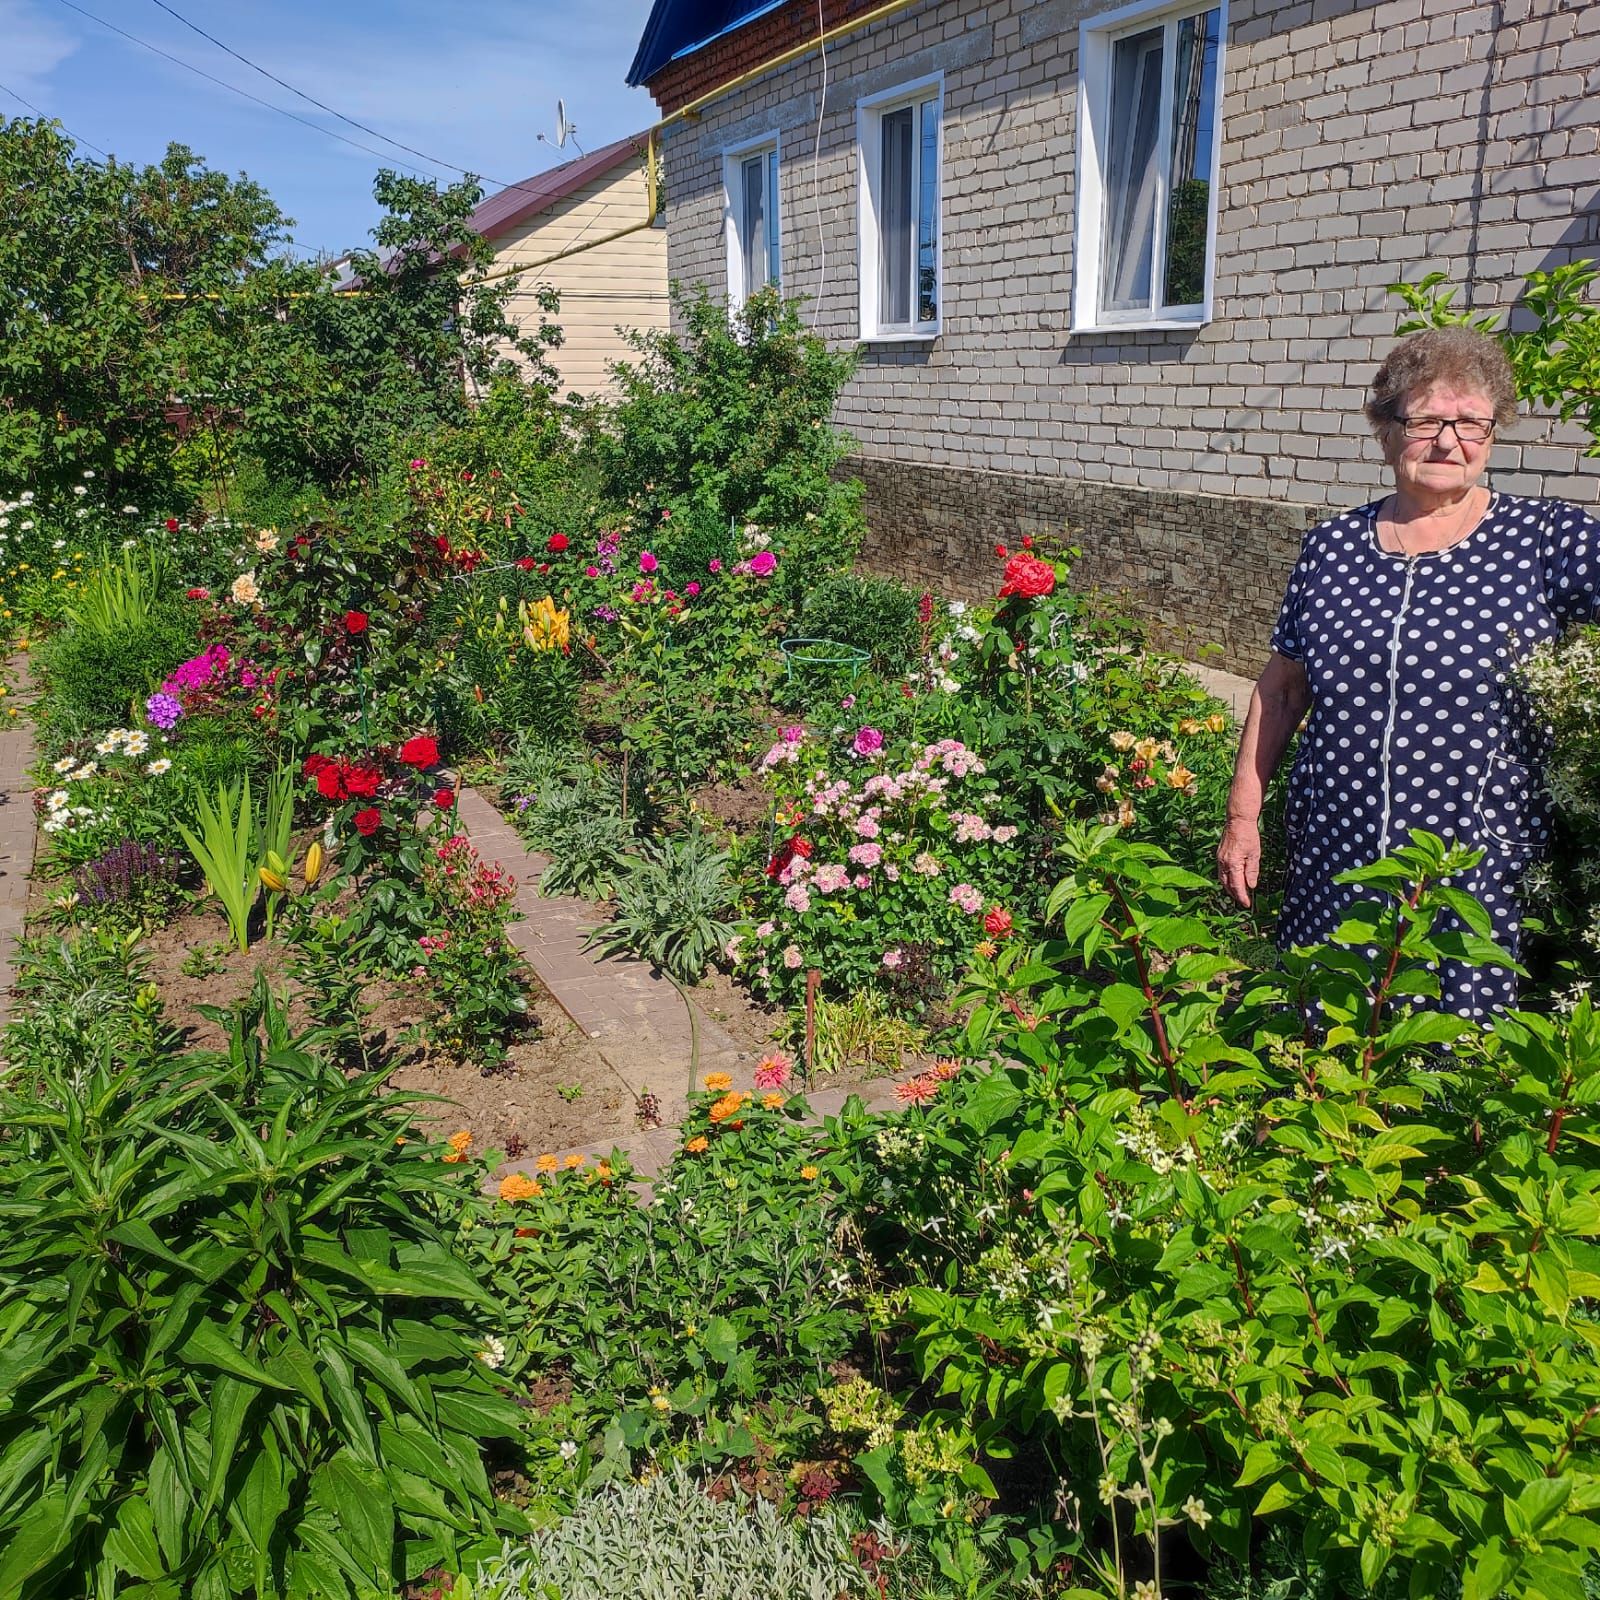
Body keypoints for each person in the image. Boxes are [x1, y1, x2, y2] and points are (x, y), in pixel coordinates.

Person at [1218, 326, 1600, 1019]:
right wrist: (1244, 815)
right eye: (1427, 420)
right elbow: (1281, 688)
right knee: (1327, 1028)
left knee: (1453, 1045)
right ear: (1385, 427)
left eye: (1472, 423)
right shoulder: (1331, 547)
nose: (1450, 442)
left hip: (1474, 858)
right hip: (1338, 844)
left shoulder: (1548, 539)